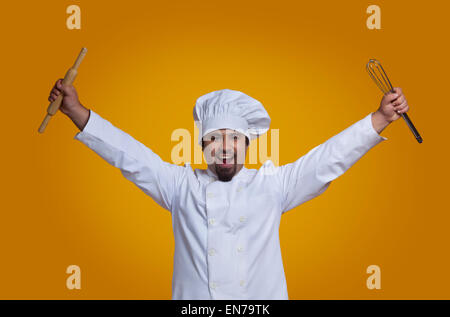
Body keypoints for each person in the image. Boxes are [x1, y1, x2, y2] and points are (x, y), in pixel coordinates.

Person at [48, 79, 409, 299]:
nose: (224, 147)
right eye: (214, 138)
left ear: (247, 144)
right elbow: (129, 156)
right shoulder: (179, 186)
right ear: (202, 145)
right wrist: (77, 110)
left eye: (233, 138)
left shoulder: (273, 185)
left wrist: (378, 119)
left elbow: (327, 159)